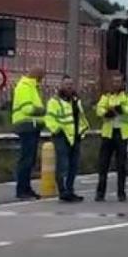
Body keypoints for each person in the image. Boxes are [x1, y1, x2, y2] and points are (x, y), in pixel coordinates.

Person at [45, 75, 89, 203]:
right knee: (63, 165)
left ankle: (70, 190)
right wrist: (57, 130)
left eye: (71, 84)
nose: (69, 87)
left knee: (73, 166)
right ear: (61, 86)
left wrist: (82, 130)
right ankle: (63, 191)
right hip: (62, 136)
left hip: (75, 136)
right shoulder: (55, 101)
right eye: (66, 84)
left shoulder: (76, 100)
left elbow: (80, 118)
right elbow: (49, 119)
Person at [95, 74, 128, 202]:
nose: (115, 84)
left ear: (123, 83)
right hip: (108, 133)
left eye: (118, 82)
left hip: (122, 134)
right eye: (114, 81)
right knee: (103, 165)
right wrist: (109, 111)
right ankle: (100, 193)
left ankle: (121, 193)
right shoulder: (106, 96)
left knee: (121, 165)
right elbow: (99, 110)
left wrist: (114, 109)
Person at [11, 67, 46, 200]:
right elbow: (27, 109)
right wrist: (42, 111)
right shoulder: (25, 86)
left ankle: (26, 188)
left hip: (32, 127)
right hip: (26, 126)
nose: (42, 80)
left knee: (30, 160)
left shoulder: (33, 87)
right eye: (41, 76)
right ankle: (22, 190)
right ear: (36, 75)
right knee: (26, 159)